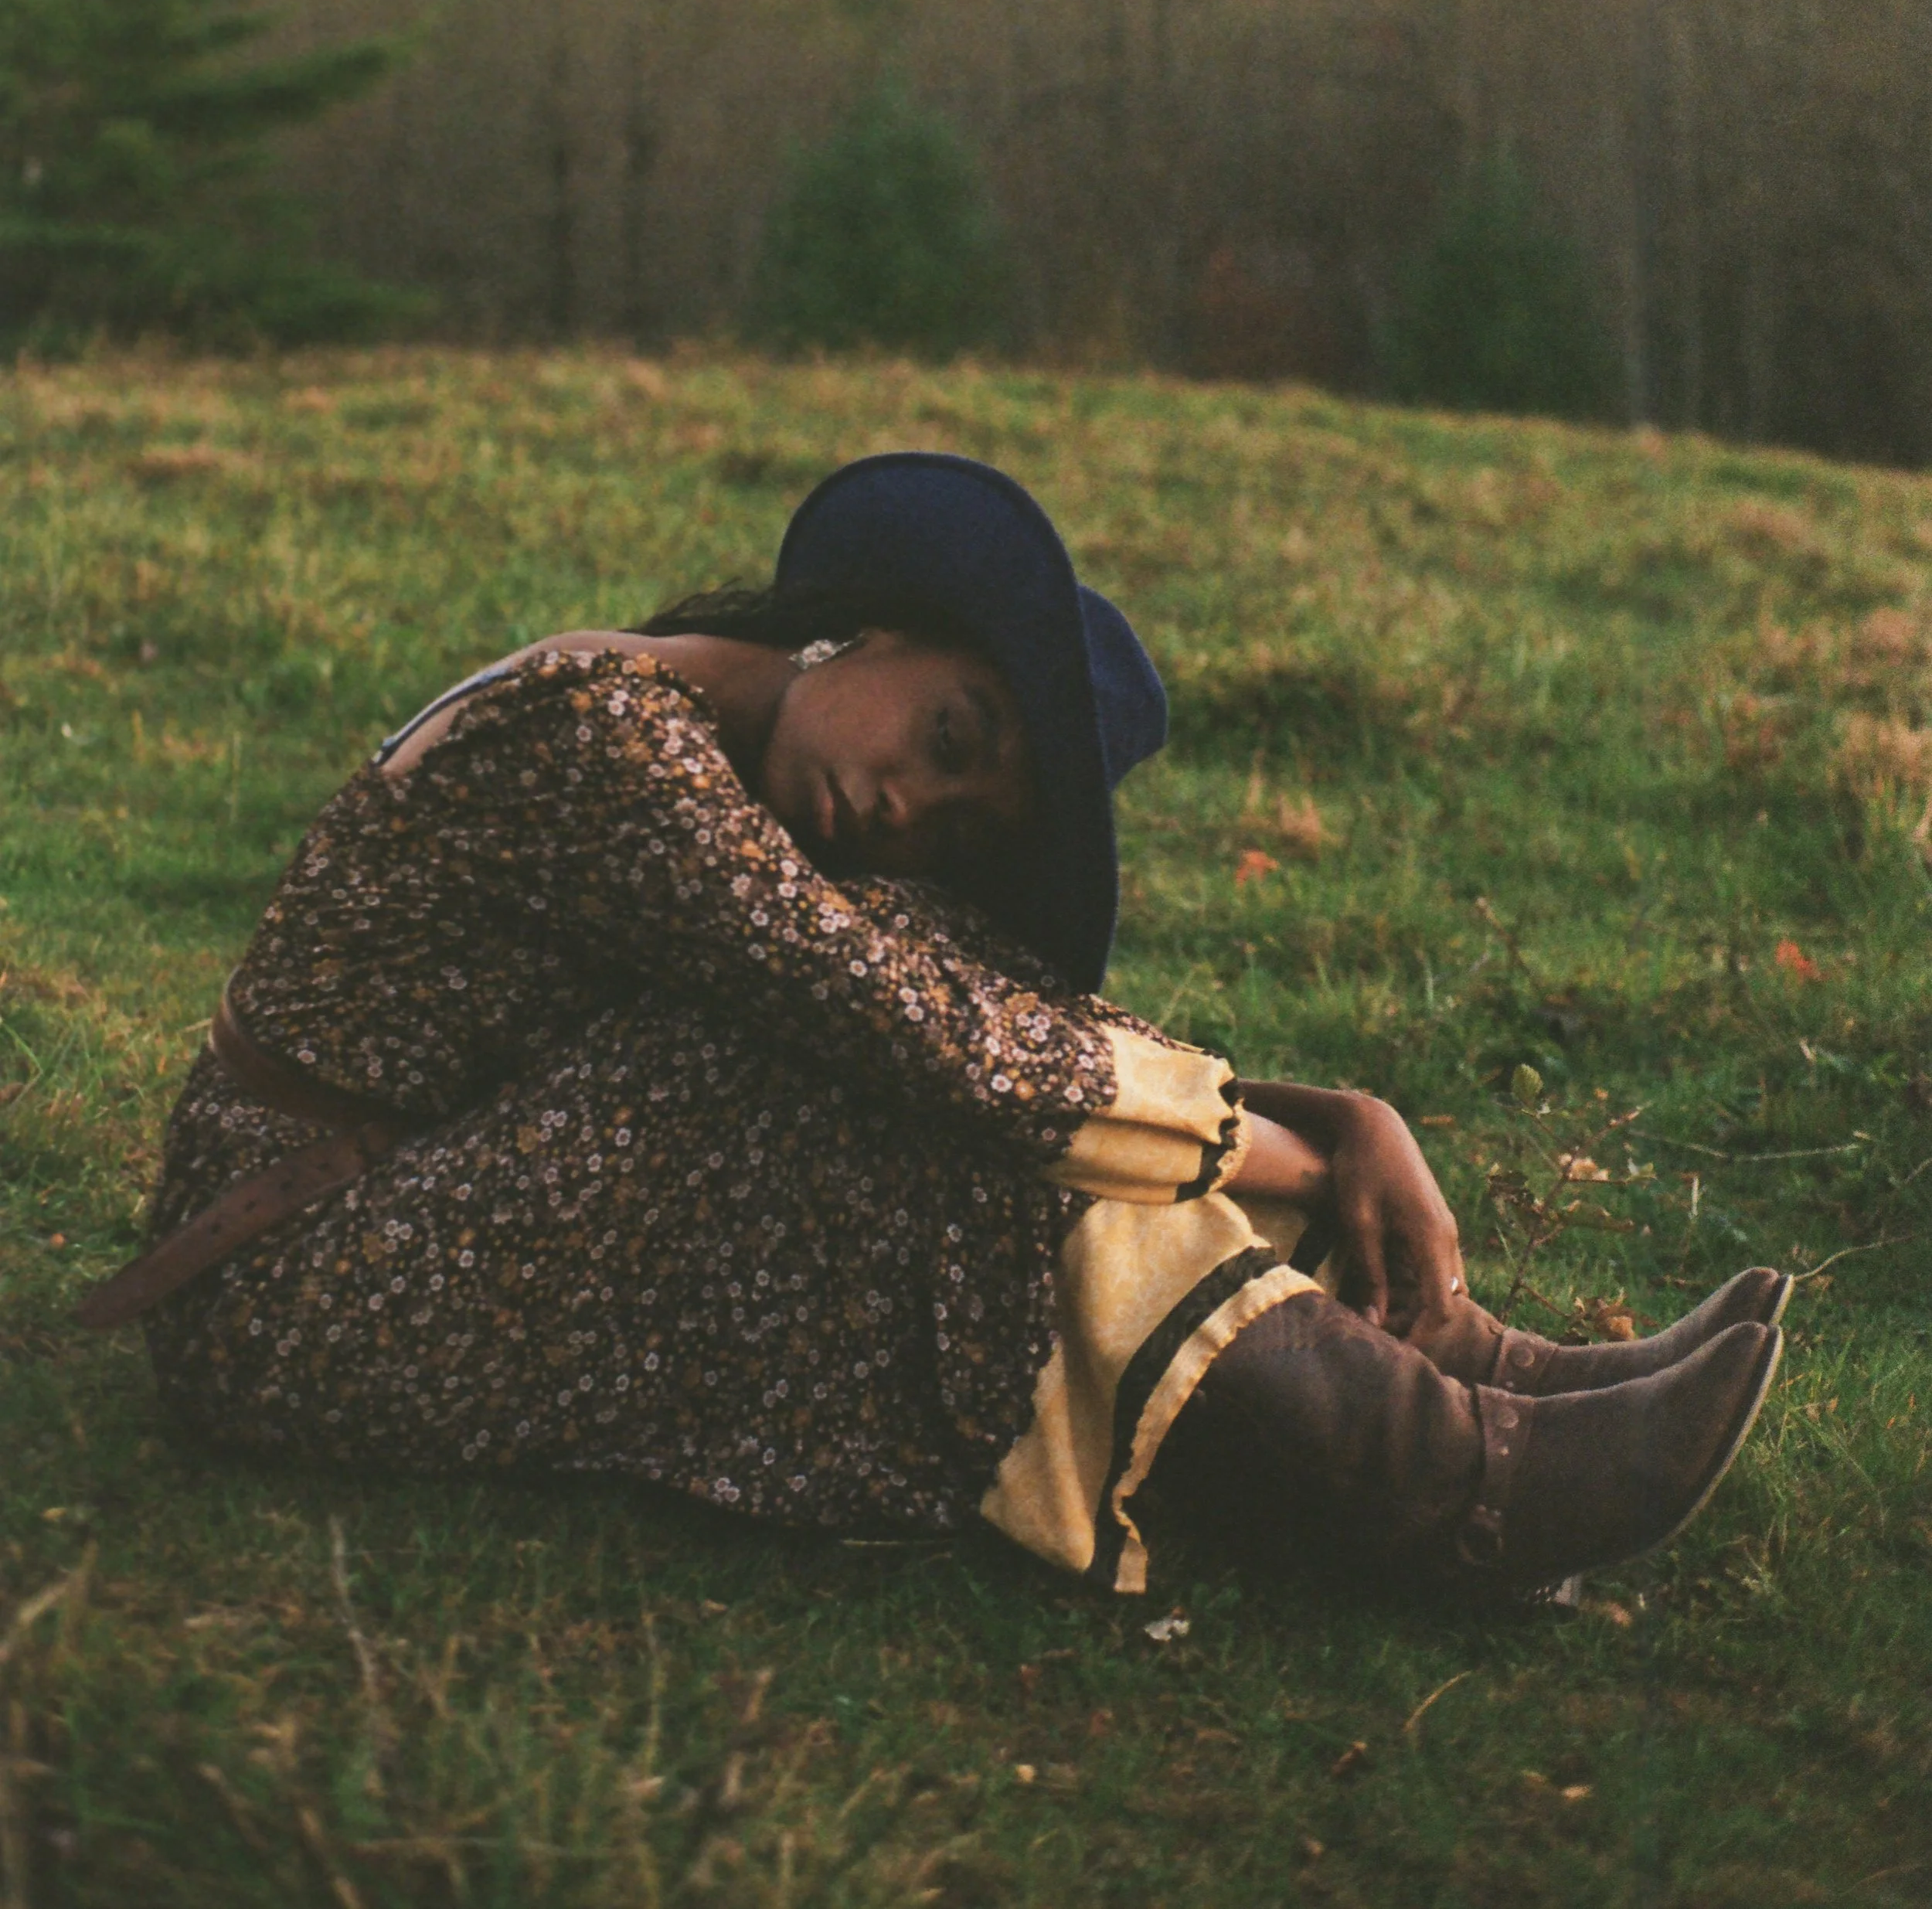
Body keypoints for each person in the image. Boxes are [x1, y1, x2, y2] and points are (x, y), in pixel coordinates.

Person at [80, 452, 1784, 1604]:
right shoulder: (605, 740)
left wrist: (1335, 1104)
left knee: (909, 1015)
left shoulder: (725, 796)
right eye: (952, 728)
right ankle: (1440, 1470)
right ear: (873, 627)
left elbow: (972, 1009)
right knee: (903, 1070)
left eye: (970, 808)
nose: (911, 800)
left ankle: (1456, 1367)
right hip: (295, 1288)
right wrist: (1301, 1142)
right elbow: (939, 1046)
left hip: (422, 1219)